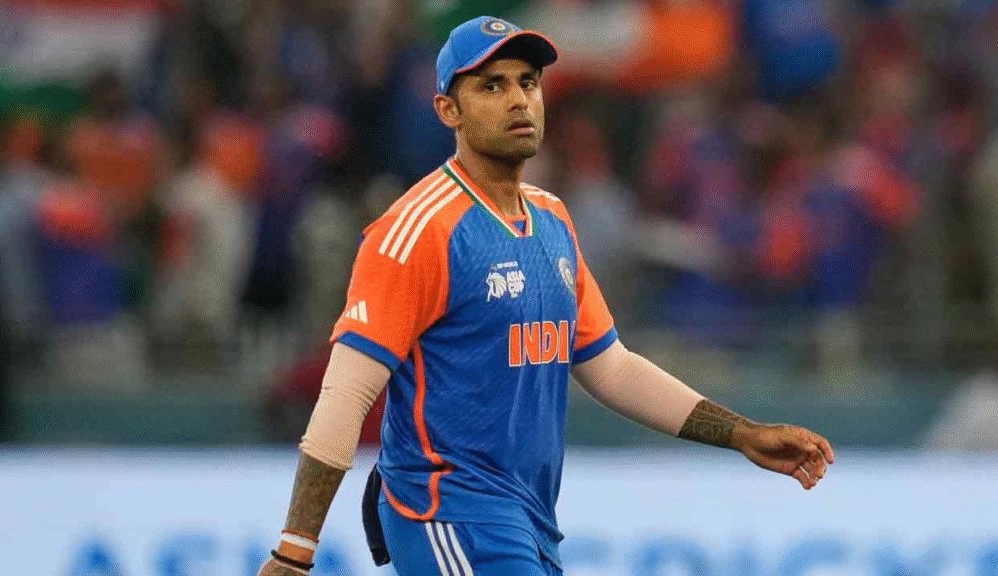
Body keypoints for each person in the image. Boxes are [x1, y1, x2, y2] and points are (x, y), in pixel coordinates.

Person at [258, 16, 835, 576]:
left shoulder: (551, 218)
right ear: (448, 110)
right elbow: (345, 395)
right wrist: (294, 551)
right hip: (448, 514)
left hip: (528, 520)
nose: (518, 99)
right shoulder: (417, 231)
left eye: (528, 82)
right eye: (492, 86)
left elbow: (611, 367)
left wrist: (742, 434)